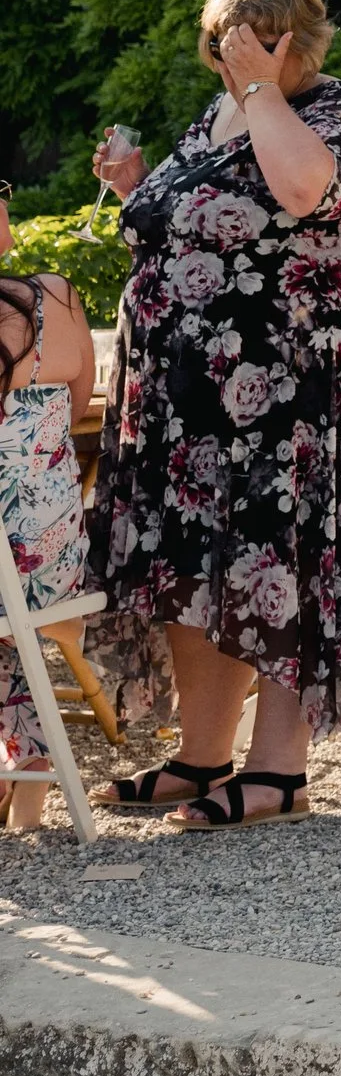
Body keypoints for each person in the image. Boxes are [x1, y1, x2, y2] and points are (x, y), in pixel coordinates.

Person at [87, 0, 341, 828]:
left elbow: (302, 190)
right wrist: (138, 186)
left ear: (293, 40)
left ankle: (280, 772)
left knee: (277, 565)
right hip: (188, 405)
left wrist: (262, 91)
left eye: (250, 46)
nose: (231, 61)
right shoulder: (219, 111)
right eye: (220, 46)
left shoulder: (338, 111)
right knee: (192, 567)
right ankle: (201, 752)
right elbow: (191, 233)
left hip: (288, 402)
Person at [1, 199, 98, 829]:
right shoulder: (56, 297)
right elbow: (82, 400)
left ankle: (23, 768)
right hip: (56, 562)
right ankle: (28, 775)